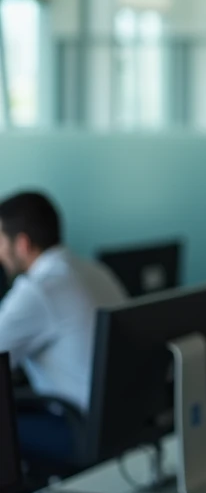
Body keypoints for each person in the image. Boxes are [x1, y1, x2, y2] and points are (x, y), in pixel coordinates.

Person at [0, 191, 127, 465]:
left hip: (80, 429)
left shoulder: (37, 290)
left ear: (22, 244)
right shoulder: (95, 270)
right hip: (122, 424)